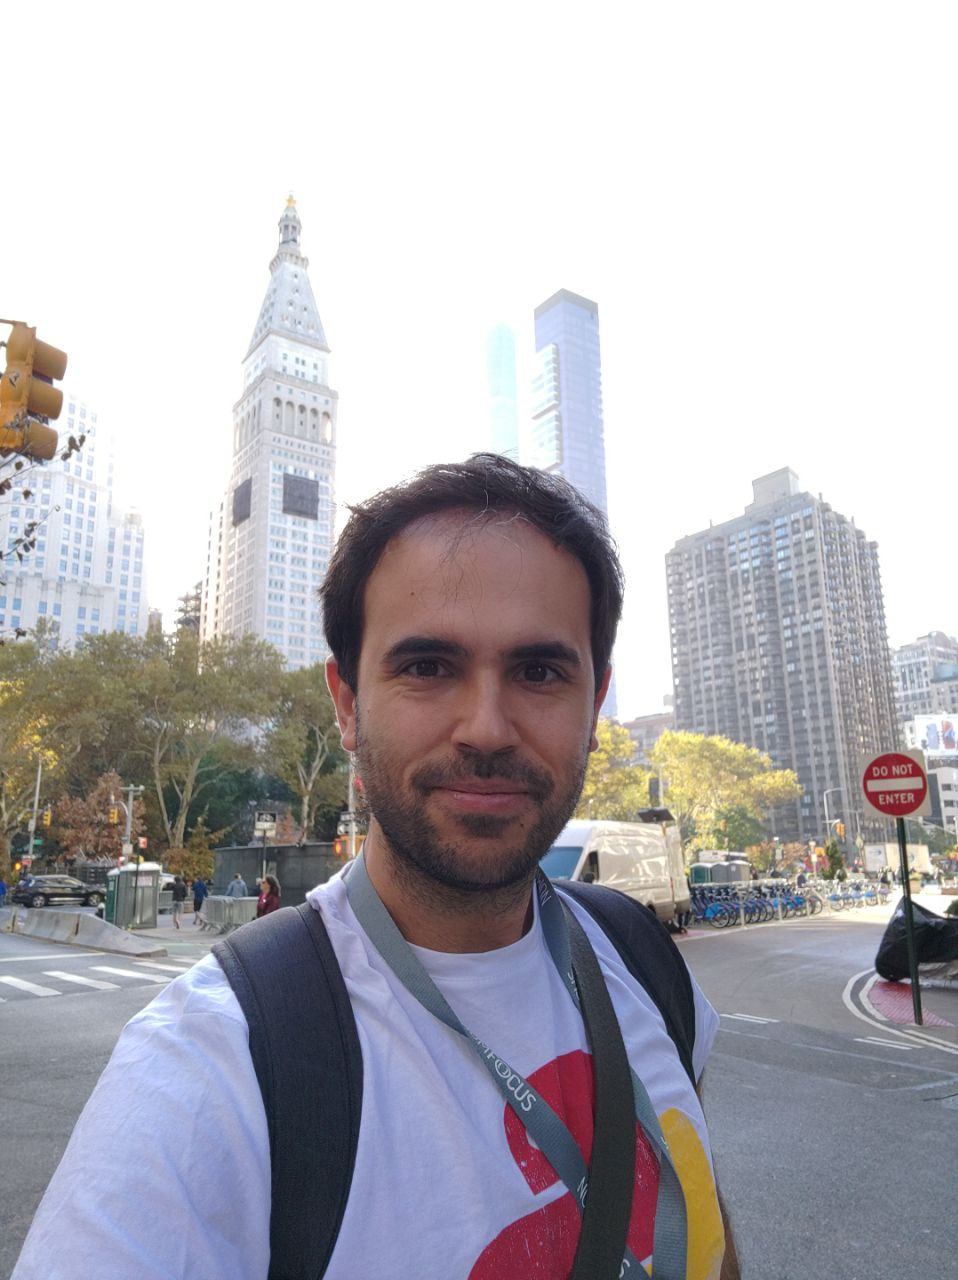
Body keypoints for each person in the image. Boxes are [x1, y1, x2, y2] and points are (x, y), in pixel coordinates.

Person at [12, 454, 739, 1279]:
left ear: (595, 700)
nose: (487, 728)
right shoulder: (212, 1065)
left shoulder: (645, 967)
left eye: (539, 671)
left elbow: (703, 1236)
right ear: (348, 703)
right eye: (428, 667)